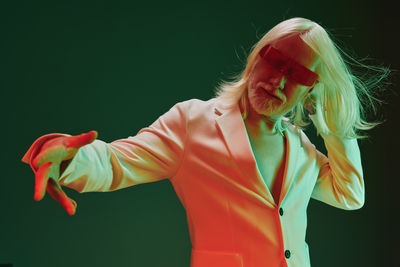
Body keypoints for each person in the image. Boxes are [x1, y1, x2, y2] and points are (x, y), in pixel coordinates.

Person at [21, 17, 387, 267]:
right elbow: (117, 162)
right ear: (256, 58)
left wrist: (335, 124)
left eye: (297, 75)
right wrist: (66, 157)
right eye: (274, 62)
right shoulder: (192, 122)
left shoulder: (301, 148)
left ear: (311, 91)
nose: (277, 81)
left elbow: (349, 194)